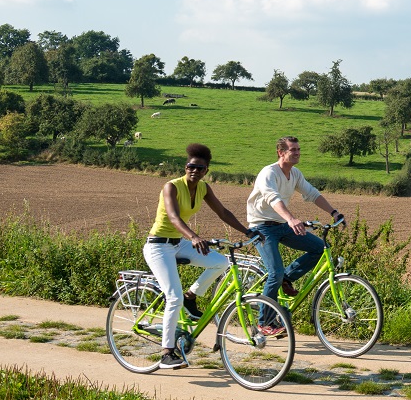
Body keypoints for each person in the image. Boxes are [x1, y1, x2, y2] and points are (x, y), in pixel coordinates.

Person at [144, 143, 253, 370]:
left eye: (199, 168)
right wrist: (194, 237)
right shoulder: (171, 187)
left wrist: (248, 231)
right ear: (185, 167)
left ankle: (192, 295)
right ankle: (166, 352)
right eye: (190, 166)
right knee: (173, 297)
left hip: (179, 243)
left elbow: (223, 212)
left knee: (220, 263)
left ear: (206, 171)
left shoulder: (203, 189)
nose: (193, 170)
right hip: (158, 246)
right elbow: (173, 217)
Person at [246, 135, 344, 335]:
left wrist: (334, 212)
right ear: (281, 153)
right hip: (261, 227)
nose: (298, 153)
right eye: (293, 150)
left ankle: (286, 278)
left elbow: (313, 193)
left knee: (320, 248)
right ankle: (264, 323)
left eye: (299, 149)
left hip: (281, 225)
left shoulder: (295, 174)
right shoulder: (269, 173)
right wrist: (291, 219)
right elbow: (273, 199)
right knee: (274, 272)